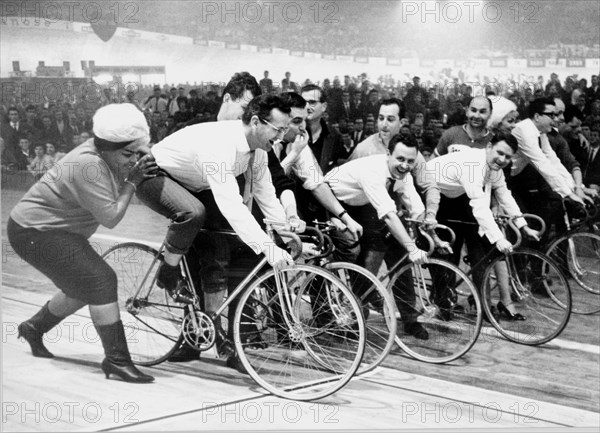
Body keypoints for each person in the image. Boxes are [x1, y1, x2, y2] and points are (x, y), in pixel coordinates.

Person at [135, 94, 296, 367]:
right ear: (256, 122)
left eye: (284, 130)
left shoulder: (257, 152)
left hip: (194, 184)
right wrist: (270, 249)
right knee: (193, 213)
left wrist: (286, 233)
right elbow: (232, 205)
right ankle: (168, 272)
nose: (281, 137)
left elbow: (266, 194)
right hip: (154, 175)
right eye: (278, 129)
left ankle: (208, 330)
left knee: (218, 243)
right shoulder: (220, 144)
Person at [8, 103, 158, 383]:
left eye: (135, 152)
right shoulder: (88, 165)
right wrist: (133, 181)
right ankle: (116, 360)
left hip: (51, 229)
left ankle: (33, 328)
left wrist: (138, 157)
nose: (132, 160)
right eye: (127, 154)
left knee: (82, 287)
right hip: (34, 231)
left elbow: (138, 153)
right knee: (100, 280)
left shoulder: (106, 150)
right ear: (106, 148)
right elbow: (111, 216)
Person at [425, 134, 540, 318]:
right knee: (441, 247)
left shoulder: (494, 167)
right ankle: (439, 301)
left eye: (508, 157)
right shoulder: (473, 165)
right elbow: (479, 206)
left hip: (450, 193)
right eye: (499, 153)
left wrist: (523, 225)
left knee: (457, 246)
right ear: (488, 147)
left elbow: (503, 193)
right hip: (425, 188)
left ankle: (445, 300)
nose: (502, 160)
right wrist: (499, 239)